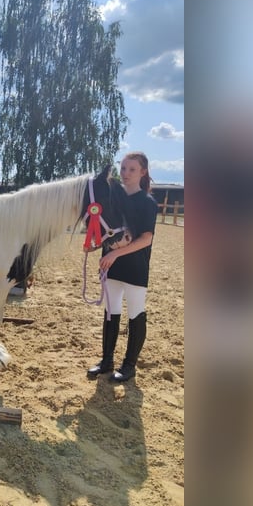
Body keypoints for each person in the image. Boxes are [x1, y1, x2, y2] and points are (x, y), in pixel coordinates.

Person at [87, 152, 159, 382]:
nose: (126, 173)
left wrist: (117, 252)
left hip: (135, 267)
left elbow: (146, 238)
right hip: (111, 264)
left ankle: (129, 365)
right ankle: (107, 360)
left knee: (136, 313)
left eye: (132, 169)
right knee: (111, 311)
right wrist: (95, 244)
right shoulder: (112, 198)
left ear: (143, 172)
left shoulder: (147, 202)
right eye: (124, 168)